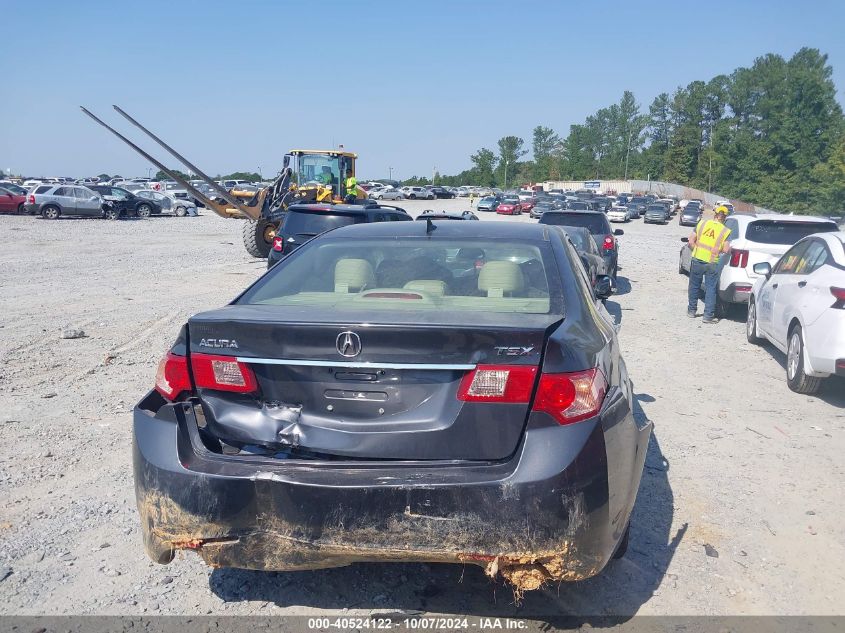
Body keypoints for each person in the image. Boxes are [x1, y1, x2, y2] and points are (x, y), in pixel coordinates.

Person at [686, 205, 732, 323]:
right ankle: (708, 316)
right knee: (711, 289)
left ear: (714, 214)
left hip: (697, 259)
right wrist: (720, 250)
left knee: (694, 286)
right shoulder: (725, 231)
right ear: (725, 217)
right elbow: (726, 250)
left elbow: (691, 241)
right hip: (712, 262)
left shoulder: (702, 223)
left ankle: (691, 311)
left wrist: (696, 250)